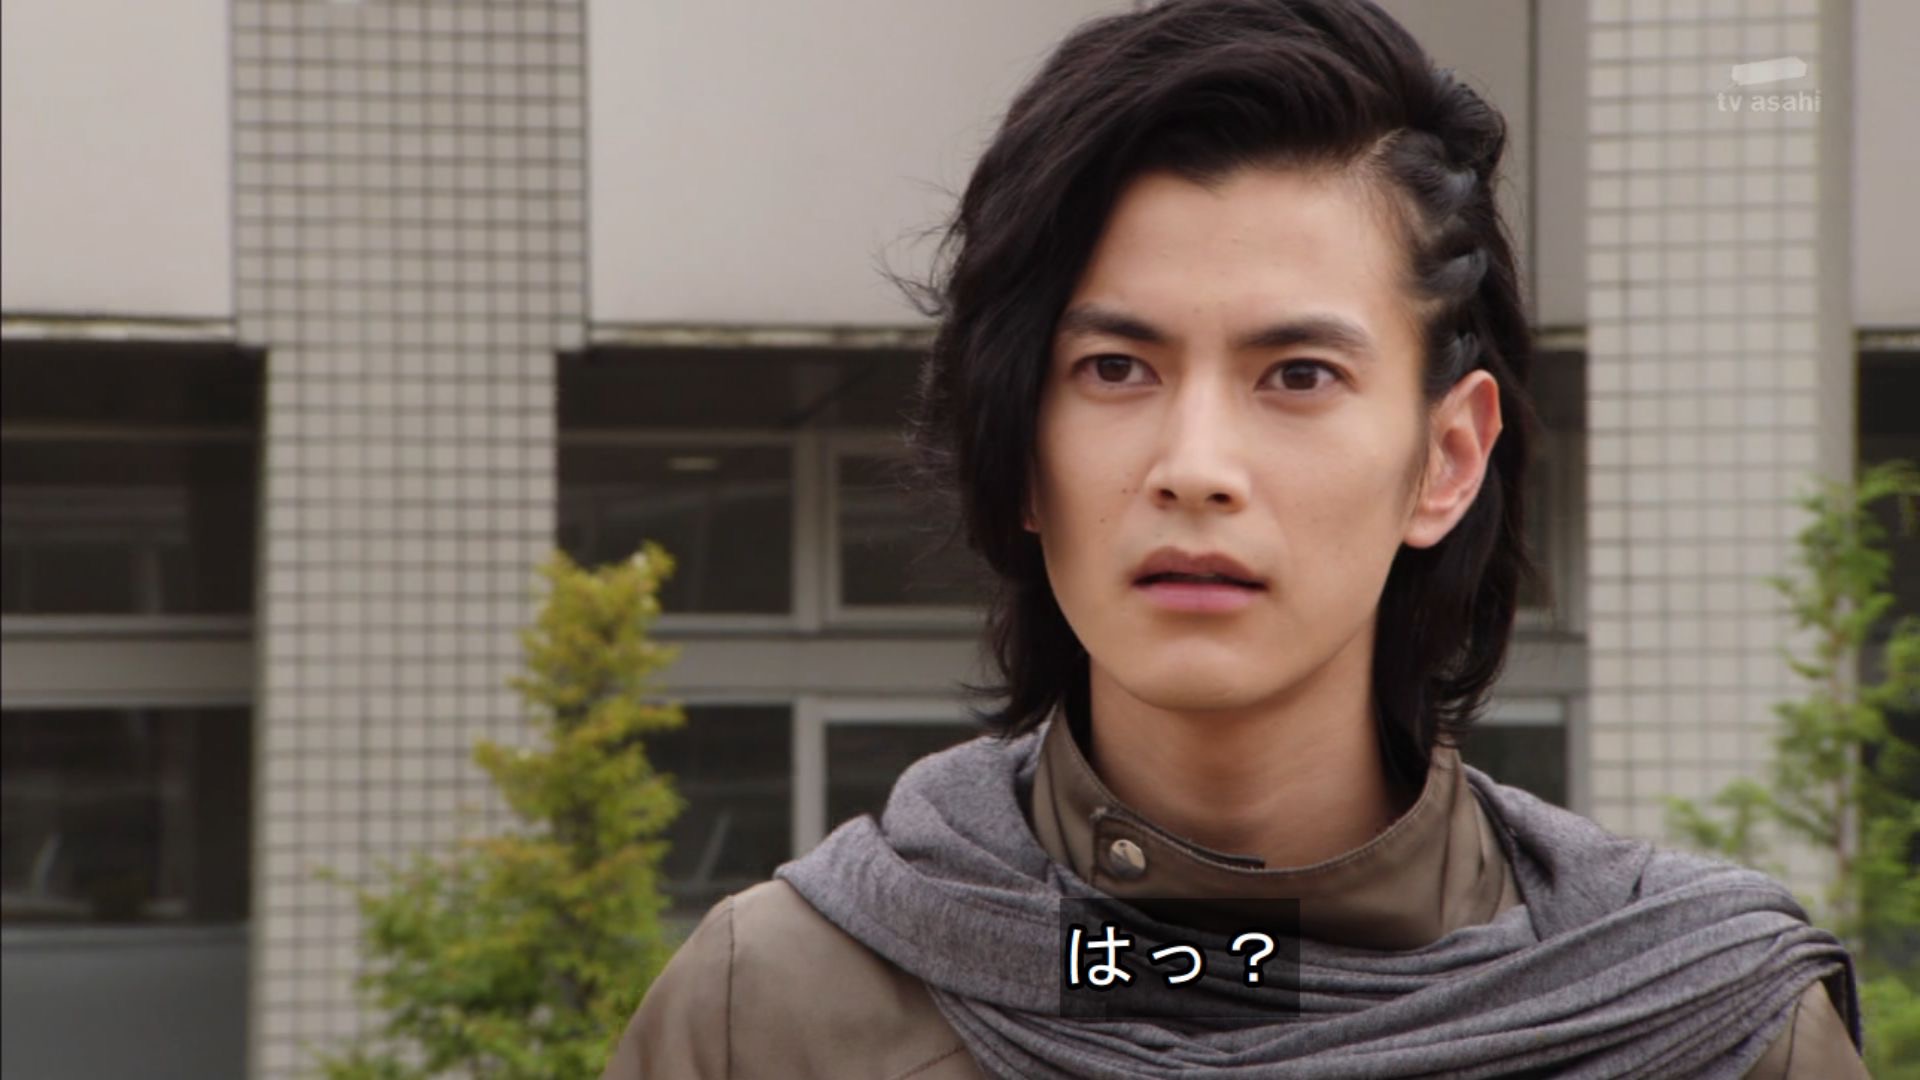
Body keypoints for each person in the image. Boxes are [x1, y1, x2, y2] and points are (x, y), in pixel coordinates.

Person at [602, 0, 1867, 1076]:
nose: (1195, 468)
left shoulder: (1703, 1019)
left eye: (1299, 375)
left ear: (1446, 459)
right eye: (1115, 368)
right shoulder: (775, 1011)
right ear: (1019, 447)